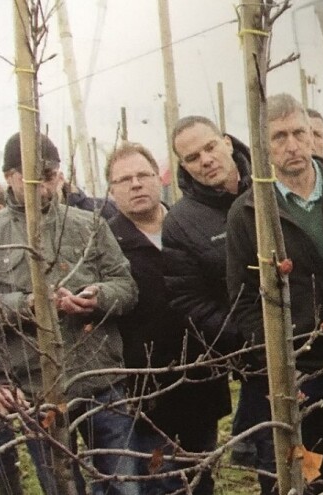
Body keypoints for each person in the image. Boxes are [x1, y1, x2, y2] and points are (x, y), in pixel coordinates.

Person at [226, 93, 323, 494]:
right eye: (278, 137)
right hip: (304, 364)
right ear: (262, 145)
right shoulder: (249, 212)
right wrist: (280, 369)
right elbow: (245, 302)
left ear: (312, 136)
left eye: (298, 133)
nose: (291, 145)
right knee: (314, 466)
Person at [0, 132, 140, 495]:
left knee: (124, 485)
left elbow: (126, 286)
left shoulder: (88, 224)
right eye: (33, 176)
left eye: (50, 174)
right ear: (10, 176)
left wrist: (98, 297)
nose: (44, 184)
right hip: (35, 389)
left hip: (100, 381)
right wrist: (28, 305)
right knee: (61, 486)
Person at [107, 142, 226, 494]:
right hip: (146, 392)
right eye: (124, 179)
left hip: (200, 380)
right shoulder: (107, 243)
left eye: (143, 175)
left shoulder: (188, 224)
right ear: (112, 192)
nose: (136, 184)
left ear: (159, 179)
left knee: (200, 475)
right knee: (160, 481)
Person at [162, 116, 243, 468]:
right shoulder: (181, 222)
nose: (206, 160)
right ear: (183, 166)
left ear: (226, 141)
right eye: (193, 157)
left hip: (318, 336)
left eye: (210, 147)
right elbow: (189, 301)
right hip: (254, 355)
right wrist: (247, 336)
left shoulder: (272, 185)